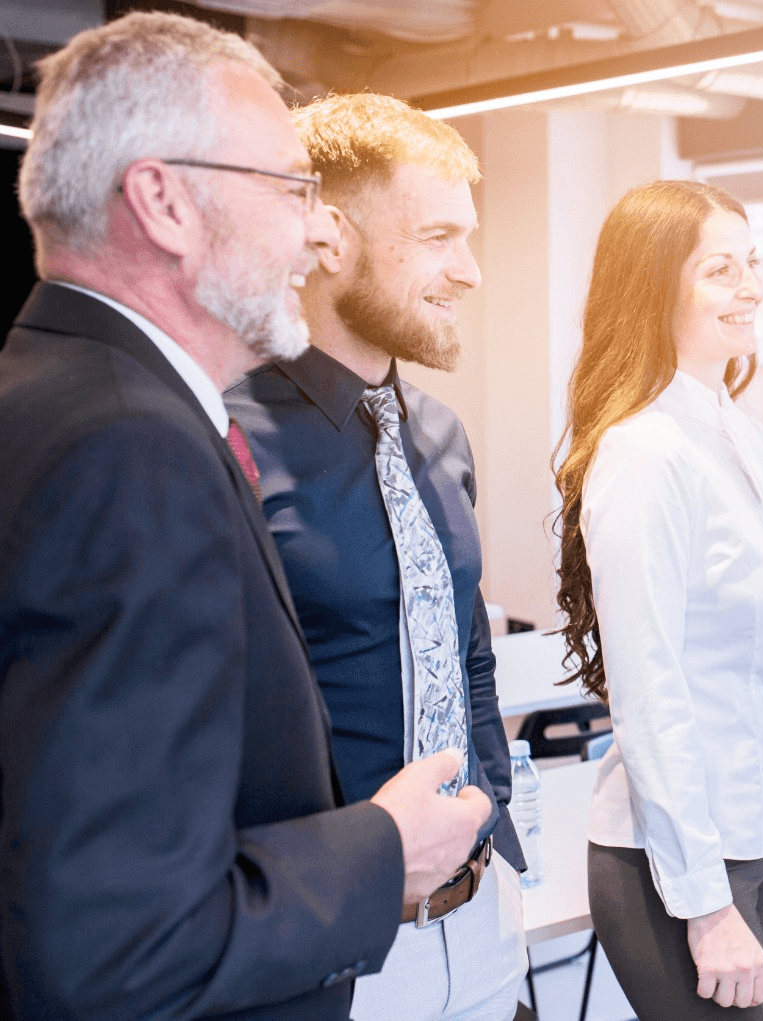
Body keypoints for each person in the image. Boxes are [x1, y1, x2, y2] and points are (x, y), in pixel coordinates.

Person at [0, 13, 490, 1021]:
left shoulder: (57, 393)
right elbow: (112, 942)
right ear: (164, 202)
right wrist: (382, 849)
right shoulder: (128, 448)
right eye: (290, 190)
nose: (316, 232)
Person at [224, 92, 526, 1021]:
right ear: (328, 237)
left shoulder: (439, 435)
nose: (468, 271)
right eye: (438, 236)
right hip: (332, 947)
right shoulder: (222, 437)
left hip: (480, 924)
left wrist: (492, 811)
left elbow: (466, 641)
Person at [552, 180, 763, 1019]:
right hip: (677, 866)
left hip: (758, 836)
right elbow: (652, 692)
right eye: (721, 270)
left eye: (752, 265)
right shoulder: (644, 453)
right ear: (652, 286)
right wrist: (707, 906)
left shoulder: (731, 426)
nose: (750, 289)